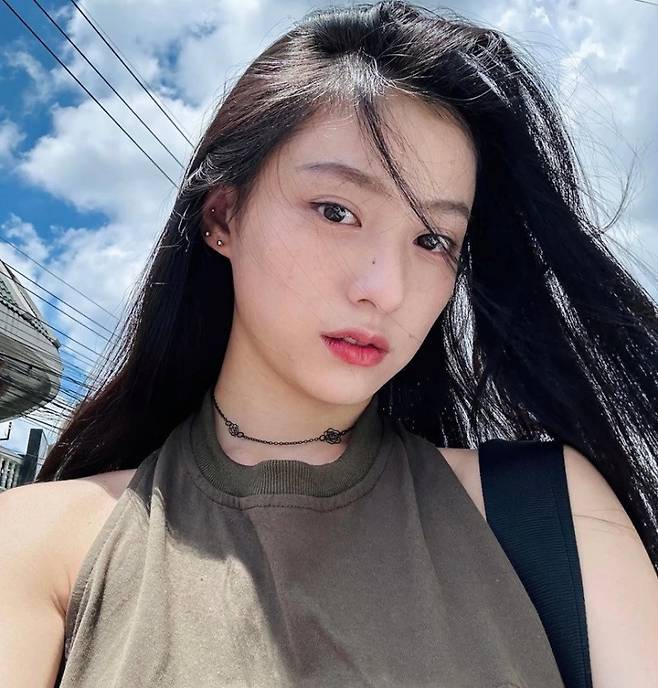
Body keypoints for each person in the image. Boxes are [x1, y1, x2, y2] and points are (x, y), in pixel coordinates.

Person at [1, 1, 657, 686]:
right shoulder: (42, 545)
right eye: (337, 211)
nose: (386, 289)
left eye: (432, 240)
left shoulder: (549, 514)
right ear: (223, 216)